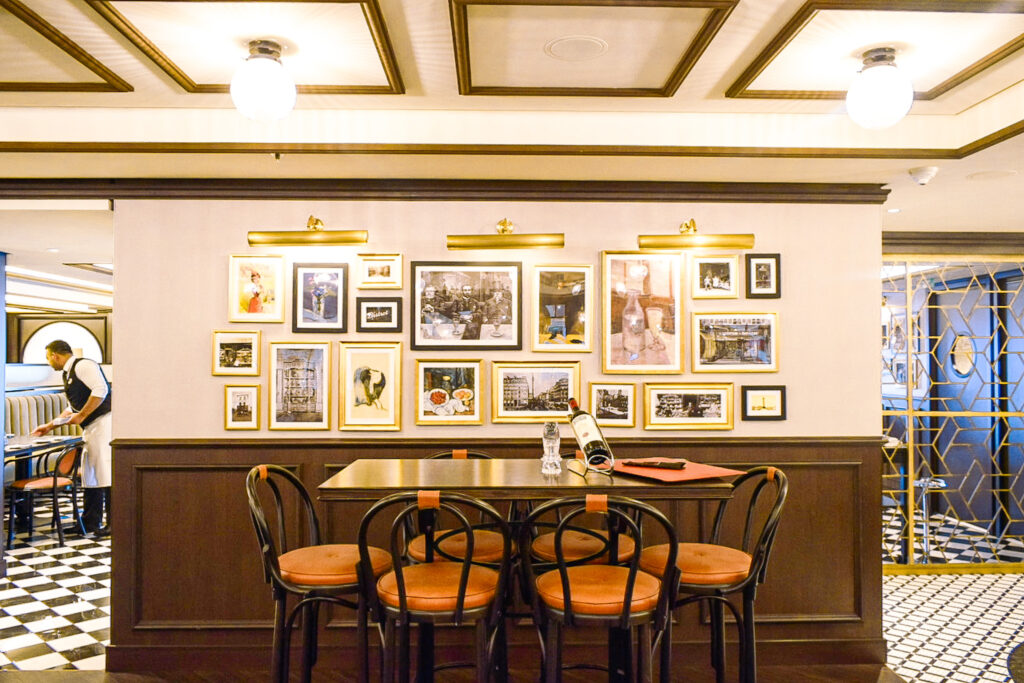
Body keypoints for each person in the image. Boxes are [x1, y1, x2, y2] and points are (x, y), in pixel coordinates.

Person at [32, 340, 112, 537]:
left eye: (48, 358)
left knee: (106, 474)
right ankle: (89, 522)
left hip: (104, 423)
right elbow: (72, 408)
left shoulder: (84, 365)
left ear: (55, 355)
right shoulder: (68, 373)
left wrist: (83, 415)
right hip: (91, 427)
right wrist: (50, 426)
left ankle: (114, 522)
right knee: (91, 475)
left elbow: (101, 391)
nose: (49, 362)